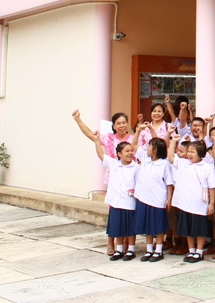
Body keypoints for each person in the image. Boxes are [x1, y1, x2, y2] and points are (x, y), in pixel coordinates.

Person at [72, 108, 133, 256]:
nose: (122, 126)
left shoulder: (132, 139)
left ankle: (127, 244)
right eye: (118, 123)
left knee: (128, 211)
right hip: (114, 178)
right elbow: (91, 135)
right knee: (114, 212)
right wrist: (78, 119)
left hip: (129, 178)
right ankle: (111, 242)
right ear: (114, 126)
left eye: (124, 122)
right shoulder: (109, 138)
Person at [168, 136, 215, 263]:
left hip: (200, 204)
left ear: (200, 153)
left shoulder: (207, 167)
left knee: (199, 229)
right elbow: (171, 157)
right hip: (185, 203)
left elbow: (212, 187)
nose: (189, 154)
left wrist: (211, 204)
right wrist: (173, 141)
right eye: (188, 151)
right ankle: (191, 250)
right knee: (188, 229)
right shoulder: (183, 163)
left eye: (192, 152)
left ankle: (199, 252)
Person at [89, 135, 138, 261]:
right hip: (116, 202)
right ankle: (119, 249)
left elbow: (139, 183)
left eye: (131, 151)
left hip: (130, 202)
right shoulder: (113, 164)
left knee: (130, 228)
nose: (130, 153)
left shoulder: (136, 167)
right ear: (119, 154)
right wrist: (96, 141)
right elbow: (101, 155)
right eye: (127, 151)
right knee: (118, 227)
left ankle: (131, 249)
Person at [131, 132, 174, 262]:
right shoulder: (145, 158)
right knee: (147, 226)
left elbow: (169, 183)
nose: (147, 148)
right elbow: (133, 145)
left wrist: (169, 199)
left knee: (158, 226)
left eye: (149, 146)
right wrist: (138, 131)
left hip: (157, 199)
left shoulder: (164, 164)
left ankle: (158, 250)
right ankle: (149, 249)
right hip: (143, 198)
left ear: (155, 150)